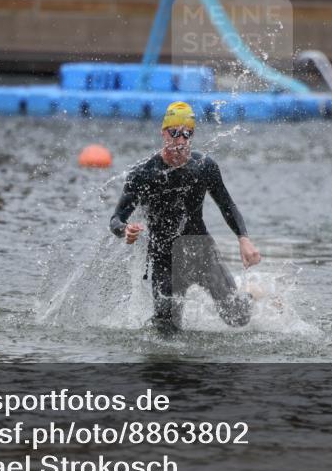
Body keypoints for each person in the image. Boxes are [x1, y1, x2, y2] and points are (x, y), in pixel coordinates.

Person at [110, 101, 261, 335]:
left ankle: (252, 294)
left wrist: (243, 238)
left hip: (200, 250)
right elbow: (116, 219)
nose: (180, 141)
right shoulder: (143, 173)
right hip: (163, 257)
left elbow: (226, 204)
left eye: (187, 134)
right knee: (166, 330)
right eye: (175, 133)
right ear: (163, 133)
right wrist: (126, 229)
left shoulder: (204, 167)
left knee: (237, 318)